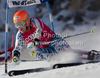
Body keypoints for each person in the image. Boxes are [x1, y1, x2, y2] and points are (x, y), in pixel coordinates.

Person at [12, 10, 100, 63]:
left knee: (66, 52)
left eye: (20, 24)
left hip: (54, 41)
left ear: (27, 21)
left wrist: (34, 41)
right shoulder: (20, 35)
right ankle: (54, 59)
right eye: (16, 25)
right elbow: (17, 48)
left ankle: (92, 55)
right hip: (46, 50)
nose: (19, 27)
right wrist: (16, 56)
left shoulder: (34, 21)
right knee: (32, 51)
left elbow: (40, 30)